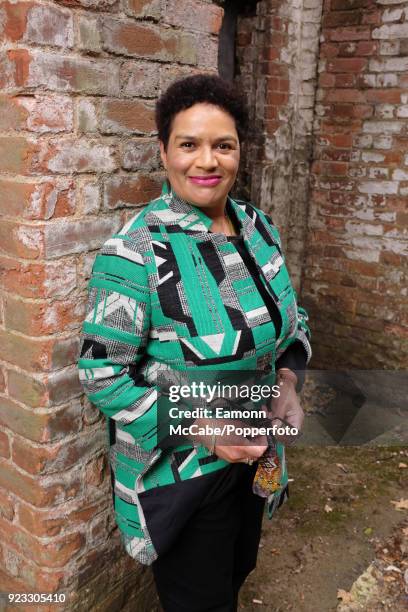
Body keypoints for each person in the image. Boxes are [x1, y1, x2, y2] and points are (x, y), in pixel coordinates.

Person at [77, 74, 311, 612]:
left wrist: (289, 381)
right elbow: (101, 374)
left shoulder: (258, 228)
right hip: (183, 481)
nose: (207, 161)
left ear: (238, 153)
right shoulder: (136, 251)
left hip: (255, 454)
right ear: (164, 152)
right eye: (189, 144)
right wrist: (206, 431)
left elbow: (293, 322)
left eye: (222, 145)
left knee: (236, 571)